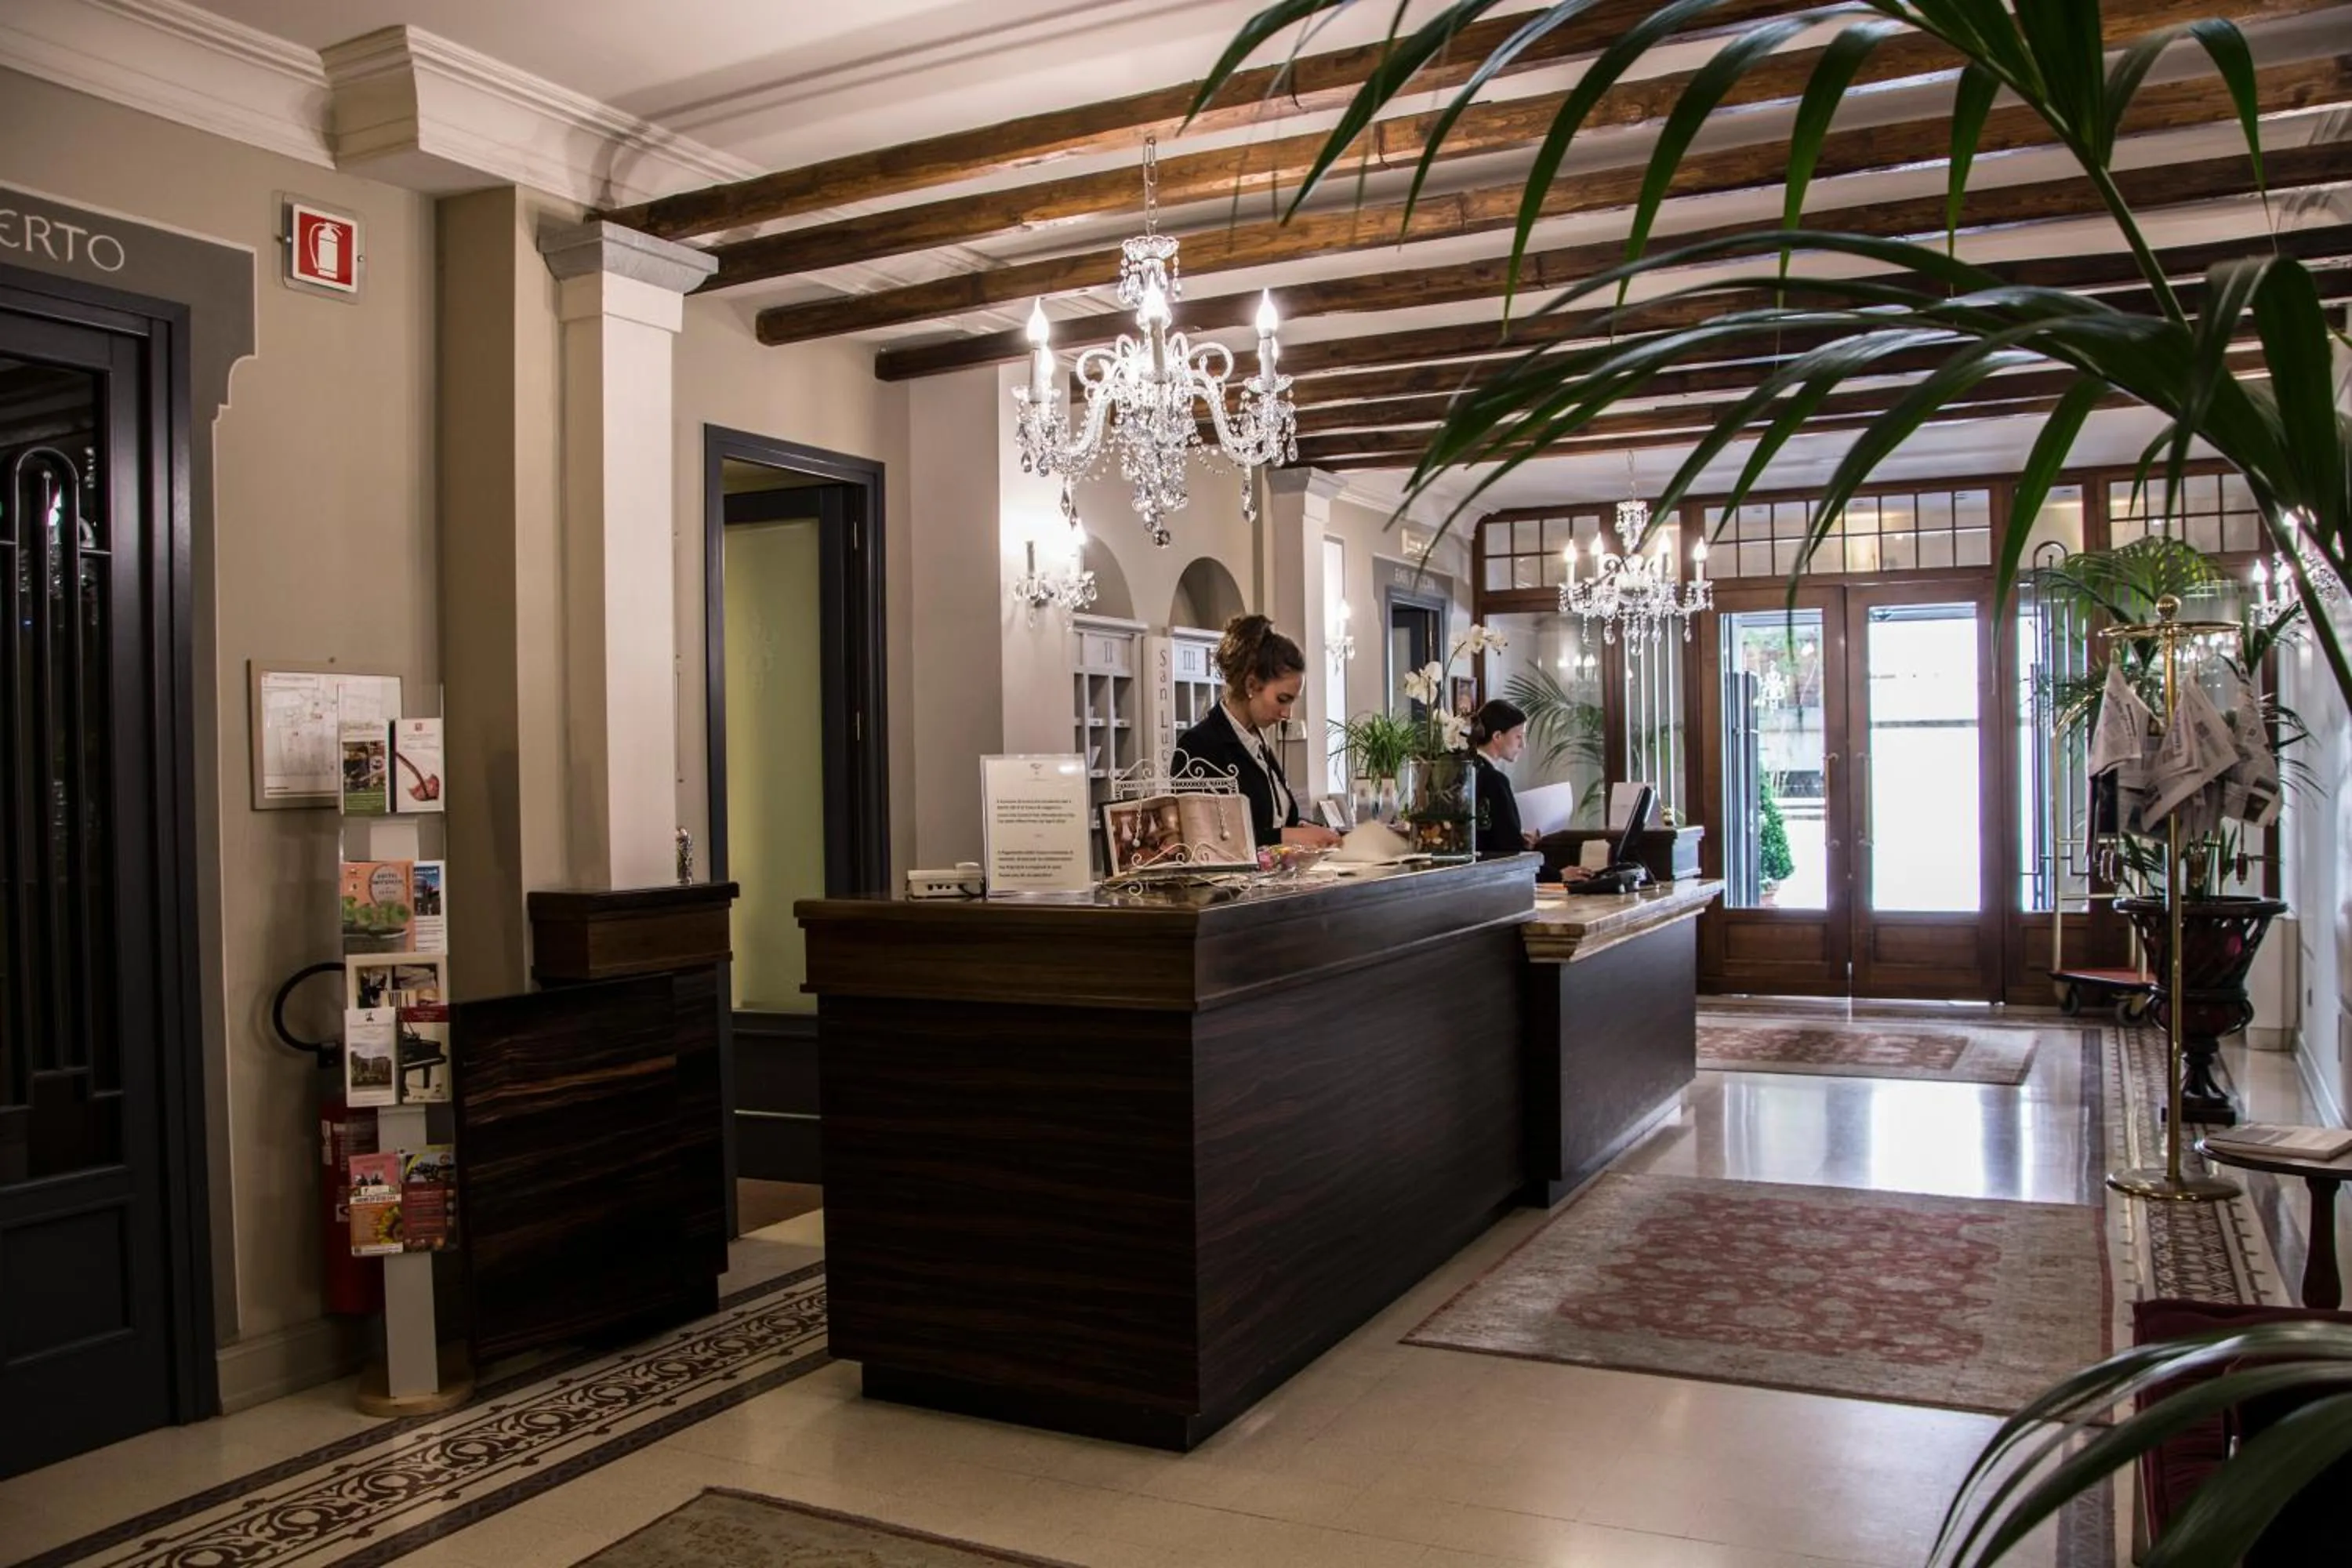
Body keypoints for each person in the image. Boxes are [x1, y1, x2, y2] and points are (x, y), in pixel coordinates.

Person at [1174, 614, 1344, 851]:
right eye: (1283, 699)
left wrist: (1307, 831)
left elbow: (1275, 822)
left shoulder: (1258, 743)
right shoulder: (1199, 746)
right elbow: (1208, 842)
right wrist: (1286, 837)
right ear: (1252, 685)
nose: (1287, 714)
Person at [1468, 699, 1541, 858]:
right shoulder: (1494, 780)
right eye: (1518, 737)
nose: (1523, 745)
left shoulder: (1464, 769)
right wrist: (1558, 874)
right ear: (1497, 736)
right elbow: (1509, 849)